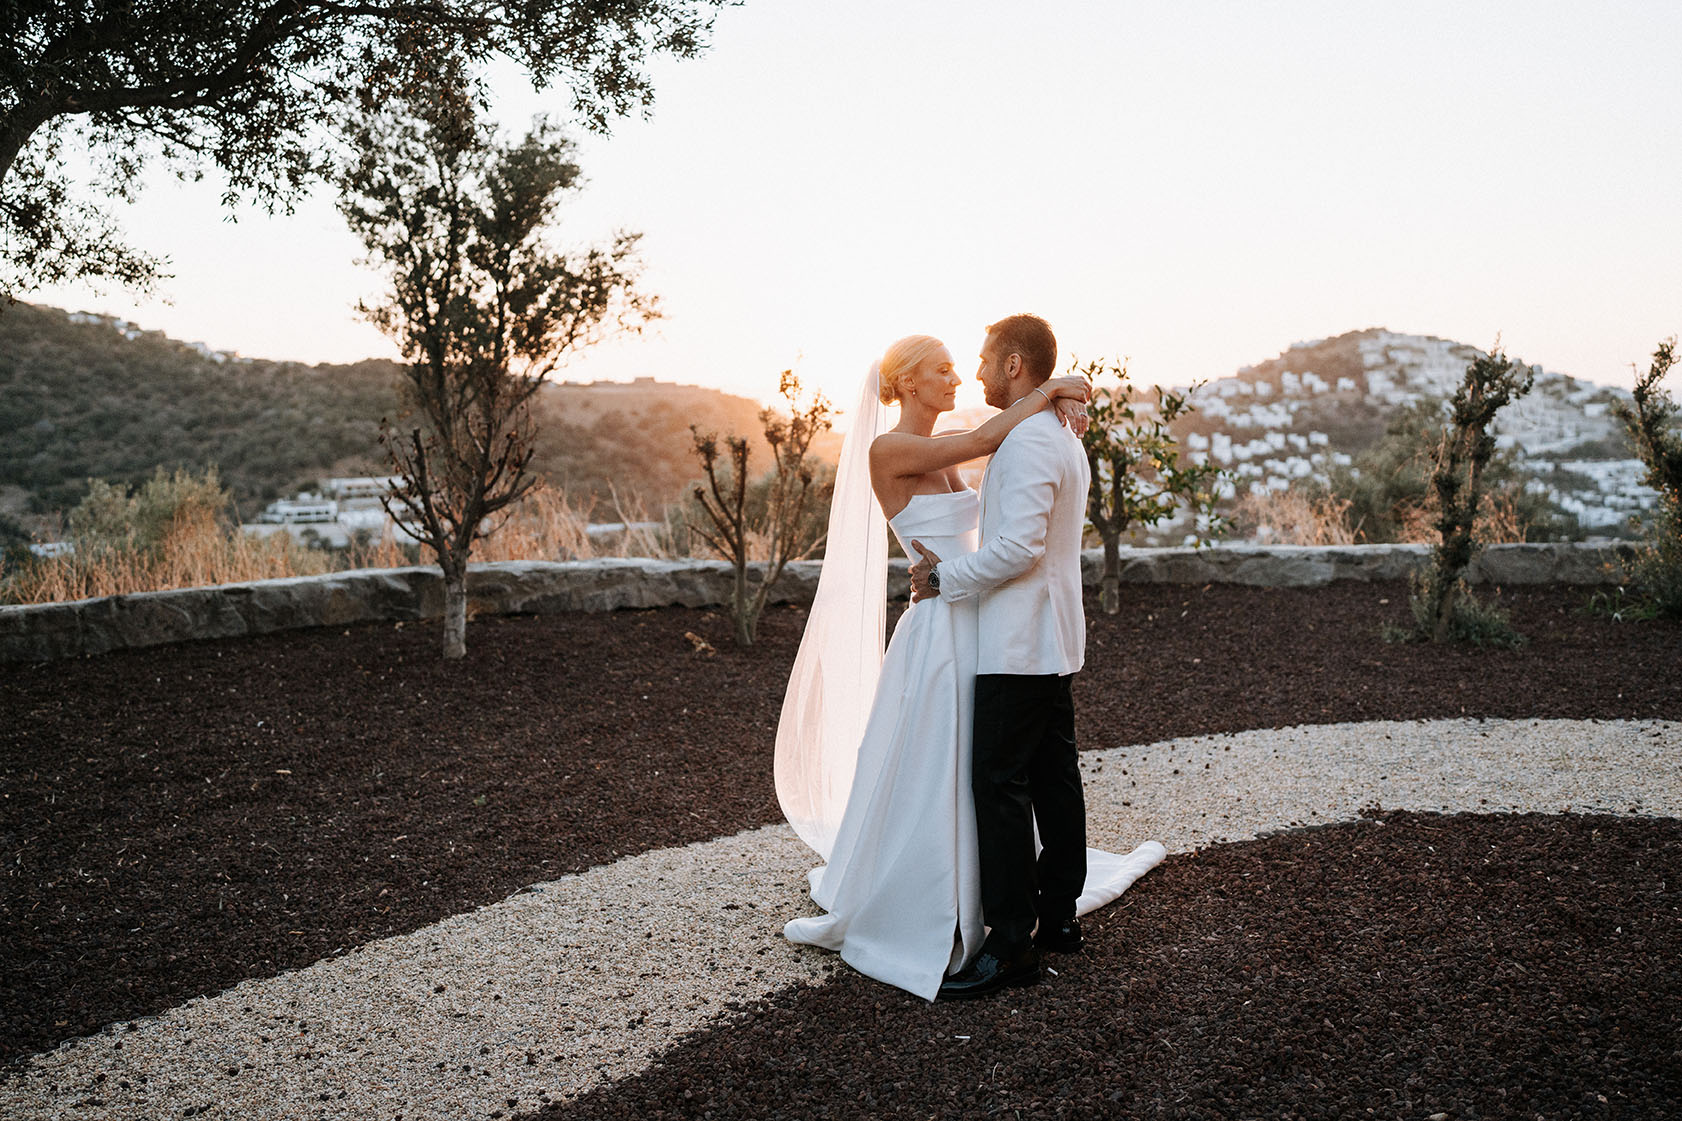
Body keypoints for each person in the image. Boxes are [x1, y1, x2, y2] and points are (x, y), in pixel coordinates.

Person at [778, 327, 1164, 1001]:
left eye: (966, 365)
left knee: (996, 775)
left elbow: (993, 507)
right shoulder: (892, 448)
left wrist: (1053, 394)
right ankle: (967, 897)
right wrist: (1055, 391)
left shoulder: (1004, 441)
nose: (958, 377)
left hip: (980, 620)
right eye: (942, 369)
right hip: (941, 629)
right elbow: (987, 444)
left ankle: (1009, 920)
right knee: (966, 768)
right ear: (907, 383)